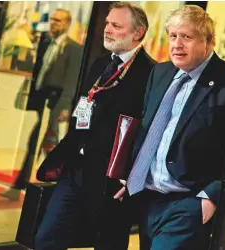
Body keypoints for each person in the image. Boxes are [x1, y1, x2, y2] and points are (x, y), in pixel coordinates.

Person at [114, 5, 225, 250]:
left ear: (208, 41)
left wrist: (210, 196)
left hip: (188, 202)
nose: (177, 44)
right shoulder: (160, 73)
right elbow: (148, 130)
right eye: (173, 36)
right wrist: (132, 174)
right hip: (147, 199)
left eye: (187, 37)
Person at [34, 2, 156, 250]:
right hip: (76, 168)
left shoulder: (152, 73)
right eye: (107, 23)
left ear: (138, 33)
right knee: (47, 238)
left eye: (116, 25)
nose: (107, 29)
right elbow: (84, 106)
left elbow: (150, 132)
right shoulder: (101, 64)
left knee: (108, 244)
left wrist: (133, 177)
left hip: (111, 181)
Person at [0, 9, 83, 201]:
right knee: (41, 144)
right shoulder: (46, 43)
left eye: (58, 20)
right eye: (52, 19)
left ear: (67, 24)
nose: (53, 23)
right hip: (42, 103)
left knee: (44, 145)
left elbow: (71, 82)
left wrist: (64, 108)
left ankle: (51, 188)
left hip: (55, 106)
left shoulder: (74, 49)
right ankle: (32, 186)